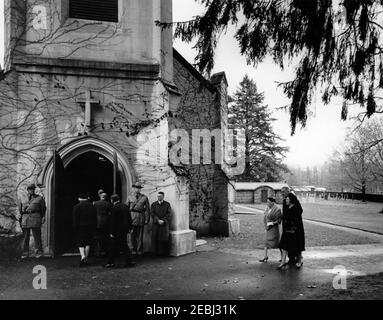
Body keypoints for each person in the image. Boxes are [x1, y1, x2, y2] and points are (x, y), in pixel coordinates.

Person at [104, 194, 135, 268]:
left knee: (113, 246)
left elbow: (113, 221)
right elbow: (129, 218)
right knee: (124, 245)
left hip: (116, 230)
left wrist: (111, 232)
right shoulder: (125, 206)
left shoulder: (114, 208)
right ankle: (129, 261)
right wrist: (130, 228)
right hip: (124, 229)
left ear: (112, 200)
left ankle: (110, 262)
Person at [278, 193, 305, 269]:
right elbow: (285, 216)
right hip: (287, 230)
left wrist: (292, 223)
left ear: (291, 199)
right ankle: (283, 262)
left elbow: (297, 218)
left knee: (298, 247)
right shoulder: (287, 206)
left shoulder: (297, 207)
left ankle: (299, 261)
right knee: (284, 245)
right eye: (286, 199)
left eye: (287, 199)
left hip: (296, 231)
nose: (286, 200)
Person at [19, 184, 46, 260]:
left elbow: (43, 209)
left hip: (35, 218)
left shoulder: (39, 198)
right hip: (25, 218)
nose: (32, 190)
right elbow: (20, 209)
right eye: (30, 189)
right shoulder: (22, 198)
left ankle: (39, 254)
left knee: (37, 237)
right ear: (27, 190)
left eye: (33, 189)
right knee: (25, 237)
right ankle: (25, 255)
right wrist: (22, 217)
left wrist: (43, 217)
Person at [73, 193, 97, 267]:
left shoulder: (77, 206)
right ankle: (86, 258)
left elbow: (75, 219)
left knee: (80, 242)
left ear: (80, 199)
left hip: (80, 227)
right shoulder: (92, 206)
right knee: (88, 242)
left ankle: (83, 256)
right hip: (90, 227)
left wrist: (75, 227)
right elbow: (94, 218)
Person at [128, 182, 150, 256]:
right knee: (132, 235)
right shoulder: (129, 197)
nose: (137, 189)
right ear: (133, 188)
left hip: (141, 217)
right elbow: (127, 209)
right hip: (132, 217)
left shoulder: (144, 197)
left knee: (140, 235)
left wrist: (147, 219)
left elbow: (147, 209)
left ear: (140, 189)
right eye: (136, 188)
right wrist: (127, 219)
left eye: (139, 188)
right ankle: (133, 249)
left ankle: (139, 249)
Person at [259, 197, 283, 263]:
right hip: (268, 228)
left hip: (274, 229)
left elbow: (279, 220)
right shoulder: (267, 208)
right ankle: (265, 256)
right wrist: (266, 224)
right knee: (266, 242)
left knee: (278, 243)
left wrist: (272, 223)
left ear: (273, 202)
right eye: (267, 202)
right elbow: (265, 216)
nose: (267, 203)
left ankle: (282, 257)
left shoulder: (277, 209)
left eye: (269, 202)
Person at [150, 191, 172, 256]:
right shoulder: (153, 204)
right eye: (158, 196)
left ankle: (163, 253)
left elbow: (169, 214)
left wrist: (163, 220)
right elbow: (152, 213)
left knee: (163, 238)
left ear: (163, 196)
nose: (158, 197)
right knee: (155, 238)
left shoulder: (167, 204)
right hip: (156, 224)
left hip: (164, 225)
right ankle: (155, 253)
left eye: (160, 196)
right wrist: (157, 220)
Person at [93, 192, 112, 257]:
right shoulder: (108, 204)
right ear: (106, 197)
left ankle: (97, 252)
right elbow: (110, 213)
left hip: (97, 222)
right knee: (106, 238)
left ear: (100, 196)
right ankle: (106, 251)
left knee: (97, 238)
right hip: (106, 222)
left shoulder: (95, 203)